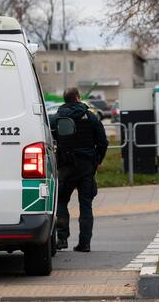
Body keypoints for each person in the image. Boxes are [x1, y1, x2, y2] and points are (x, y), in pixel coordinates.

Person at [51, 87, 108, 252]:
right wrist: (97, 161)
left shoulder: (58, 118)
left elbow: (50, 135)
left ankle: (62, 239)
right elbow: (103, 142)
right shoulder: (90, 117)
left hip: (66, 167)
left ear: (65, 99)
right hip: (86, 168)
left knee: (61, 202)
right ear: (77, 98)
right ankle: (85, 243)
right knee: (85, 205)